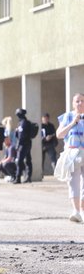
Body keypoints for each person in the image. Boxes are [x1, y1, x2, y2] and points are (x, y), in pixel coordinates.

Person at [56, 93, 84, 223]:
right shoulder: (67, 116)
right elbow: (59, 135)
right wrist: (73, 123)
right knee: (73, 183)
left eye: (82, 101)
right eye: (77, 101)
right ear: (73, 103)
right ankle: (76, 211)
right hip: (72, 153)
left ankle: (82, 211)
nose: (80, 103)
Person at [14, 108, 33, 184]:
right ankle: (28, 177)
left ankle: (18, 178)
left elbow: (21, 136)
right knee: (28, 160)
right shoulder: (22, 122)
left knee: (19, 161)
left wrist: (18, 145)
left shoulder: (23, 123)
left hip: (24, 144)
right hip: (26, 143)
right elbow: (17, 134)